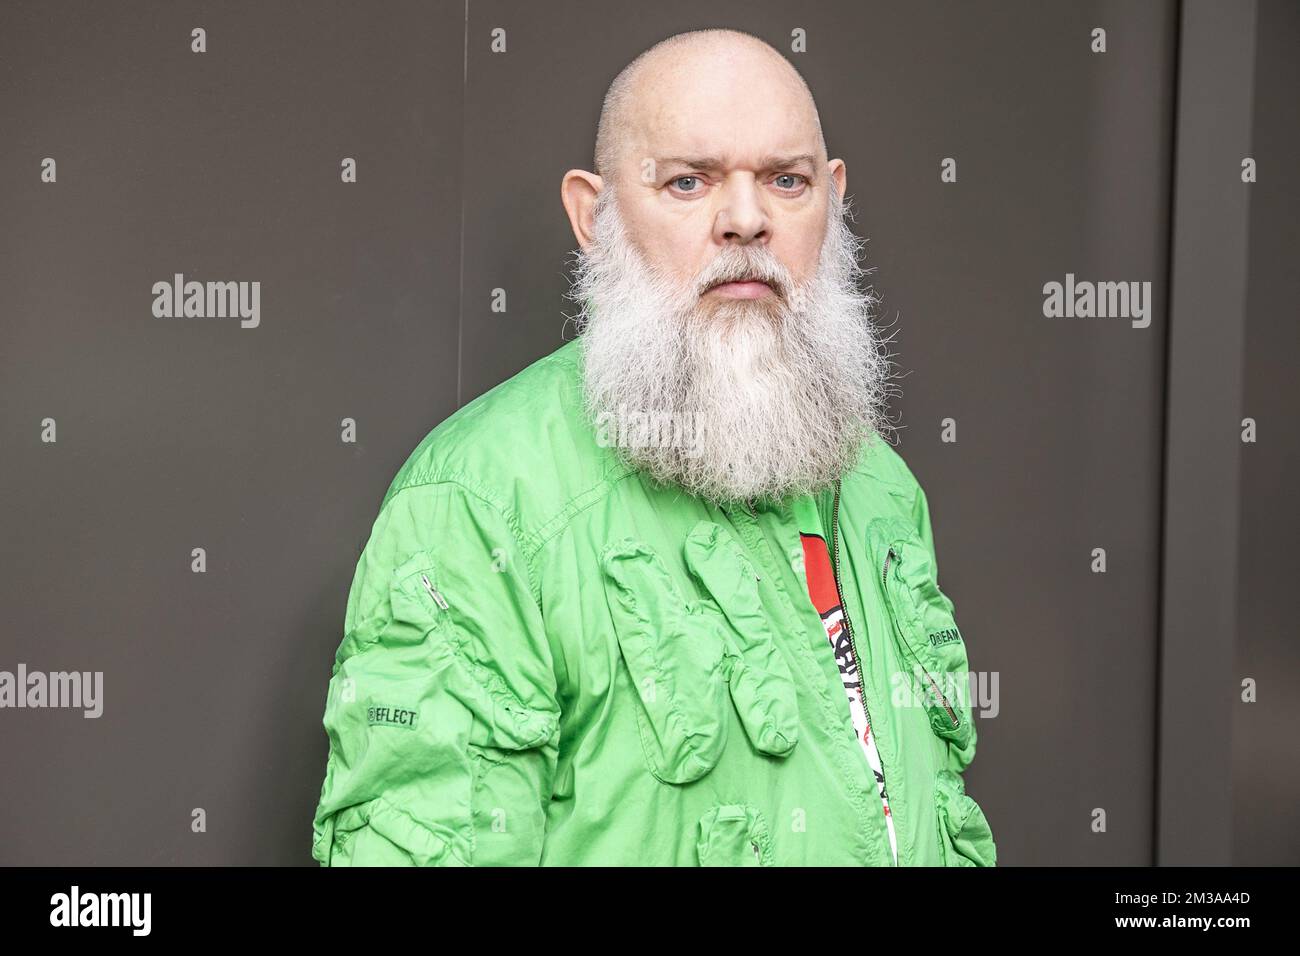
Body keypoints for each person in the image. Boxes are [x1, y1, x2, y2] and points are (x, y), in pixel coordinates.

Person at [311, 27, 996, 866]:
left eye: (787, 181)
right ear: (592, 216)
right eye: (687, 181)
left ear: (833, 200)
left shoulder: (881, 483)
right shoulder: (479, 503)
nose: (746, 219)